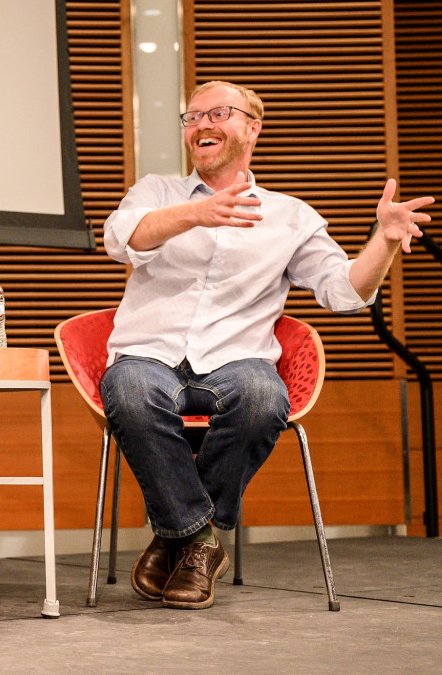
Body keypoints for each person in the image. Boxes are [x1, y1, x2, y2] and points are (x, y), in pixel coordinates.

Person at [101, 80, 433, 610]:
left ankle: (179, 536)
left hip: (238, 360)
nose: (202, 124)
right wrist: (196, 214)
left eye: (218, 113)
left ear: (253, 128)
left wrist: (384, 242)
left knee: (263, 399)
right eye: (192, 116)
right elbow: (122, 239)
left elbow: (345, 292)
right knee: (131, 390)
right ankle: (202, 541)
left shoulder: (291, 216)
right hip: (150, 354)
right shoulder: (156, 192)